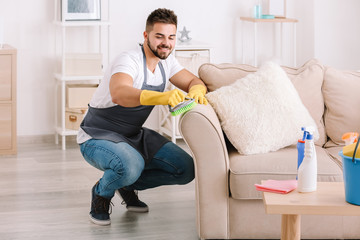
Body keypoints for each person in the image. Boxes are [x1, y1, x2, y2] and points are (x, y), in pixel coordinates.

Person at [77, 8, 208, 226]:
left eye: (171, 37)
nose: (165, 43)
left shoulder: (167, 62)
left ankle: (125, 185)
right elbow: (119, 93)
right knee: (130, 165)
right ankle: (101, 193)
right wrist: (161, 96)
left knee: (186, 169)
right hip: (97, 136)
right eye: (159, 36)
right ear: (146, 36)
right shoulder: (128, 60)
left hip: (132, 135)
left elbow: (194, 81)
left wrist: (196, 91)